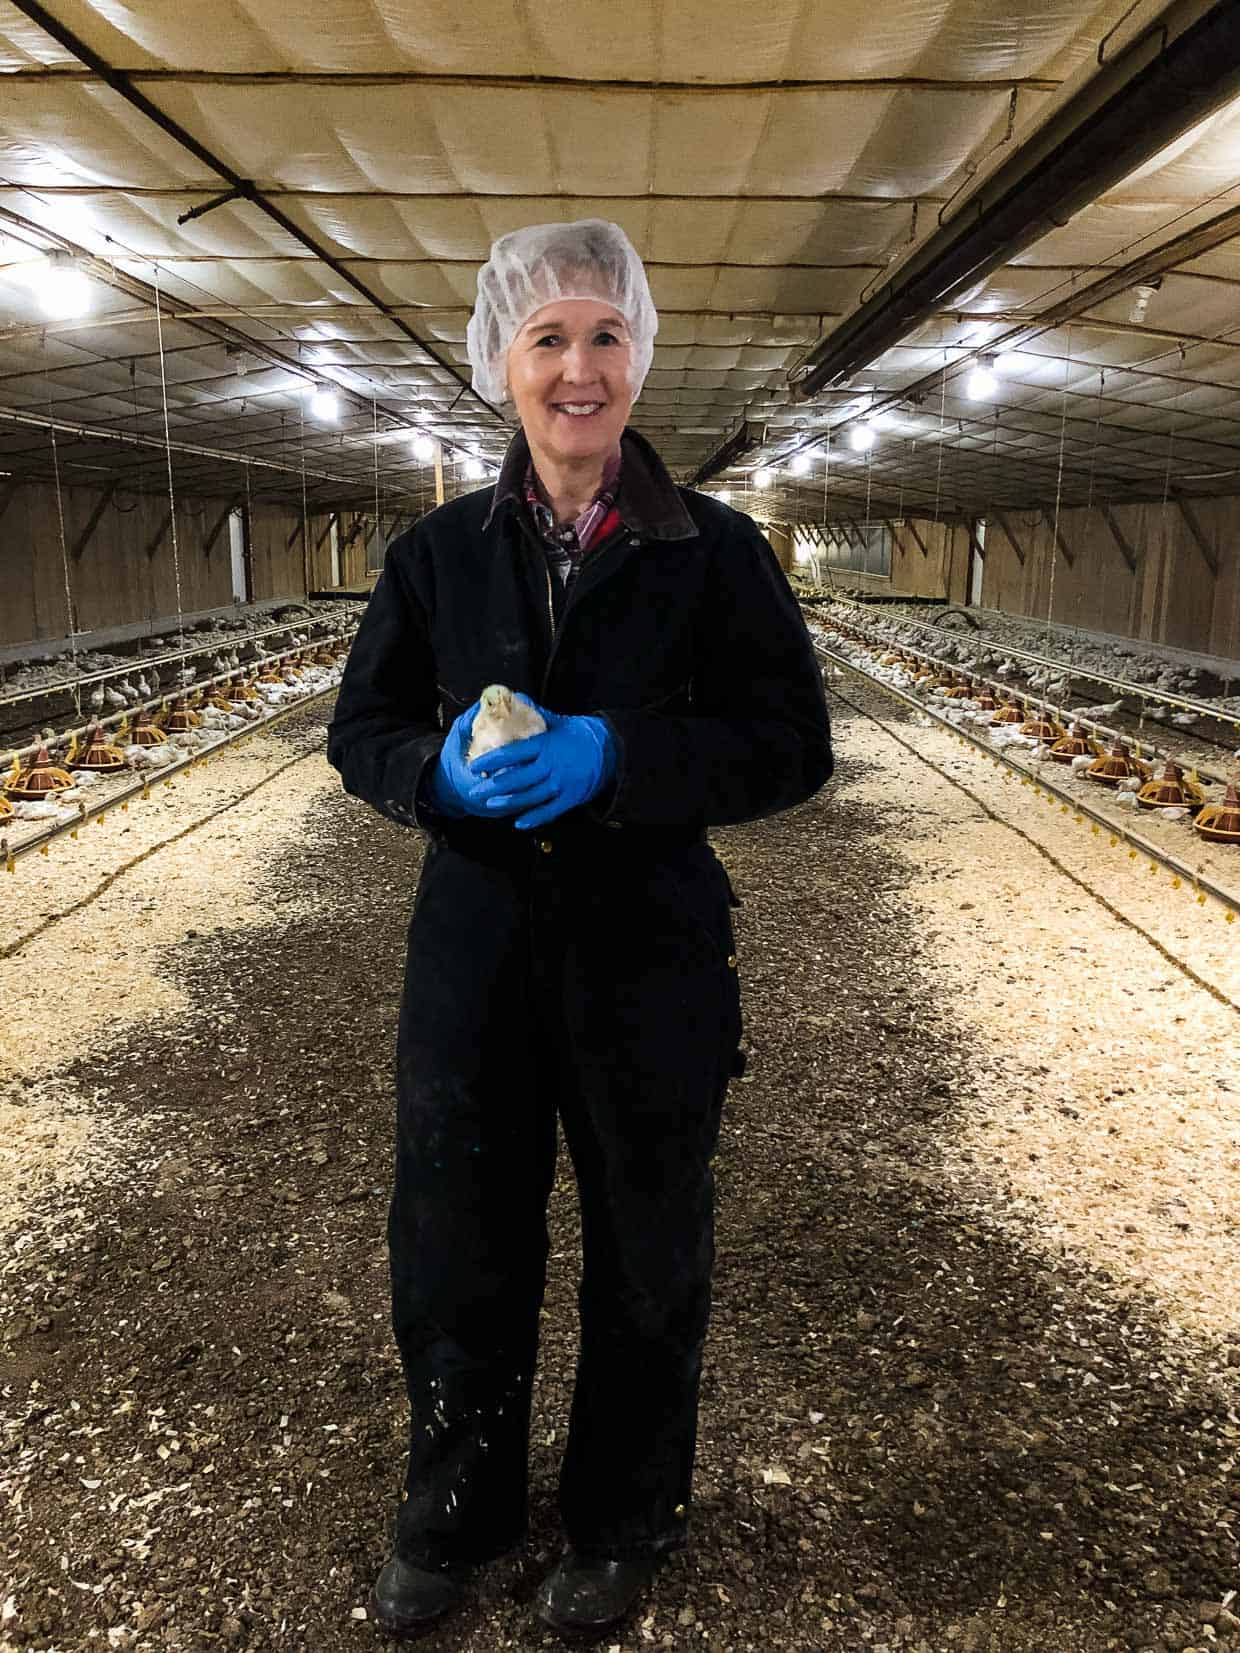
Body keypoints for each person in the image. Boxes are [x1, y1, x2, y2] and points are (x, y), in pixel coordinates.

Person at [327, 218, 832, 1642]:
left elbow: (791, 744)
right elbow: (357, 728)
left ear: (640, 360)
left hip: (650, 956)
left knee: (648, 1244)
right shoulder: (437, 556)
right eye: (546, 337)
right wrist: (432, 775)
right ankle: (456, 1507)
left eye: (605, 335)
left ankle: (623, 1517)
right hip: (476, 952)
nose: (578, 367)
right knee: (456, 1238)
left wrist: (625, 760)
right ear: (500, 362)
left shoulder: (717, 554)